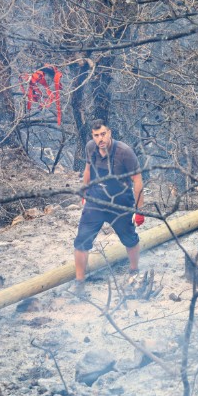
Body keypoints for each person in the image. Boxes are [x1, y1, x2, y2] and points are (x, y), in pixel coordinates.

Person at [72, 120, 144, 295]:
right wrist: (85, 191)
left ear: (109, 132)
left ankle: (134, 271)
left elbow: (138, 180)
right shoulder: (91, 147)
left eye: (103, 134)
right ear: (93, 137)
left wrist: (139, 210)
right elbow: (88, 170)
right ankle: (79, 282)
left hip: (120, 202)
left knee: (129, 238)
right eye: (96, 135)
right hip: (96, 200)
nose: (100, 139)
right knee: (81, 240)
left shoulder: (124, 152)